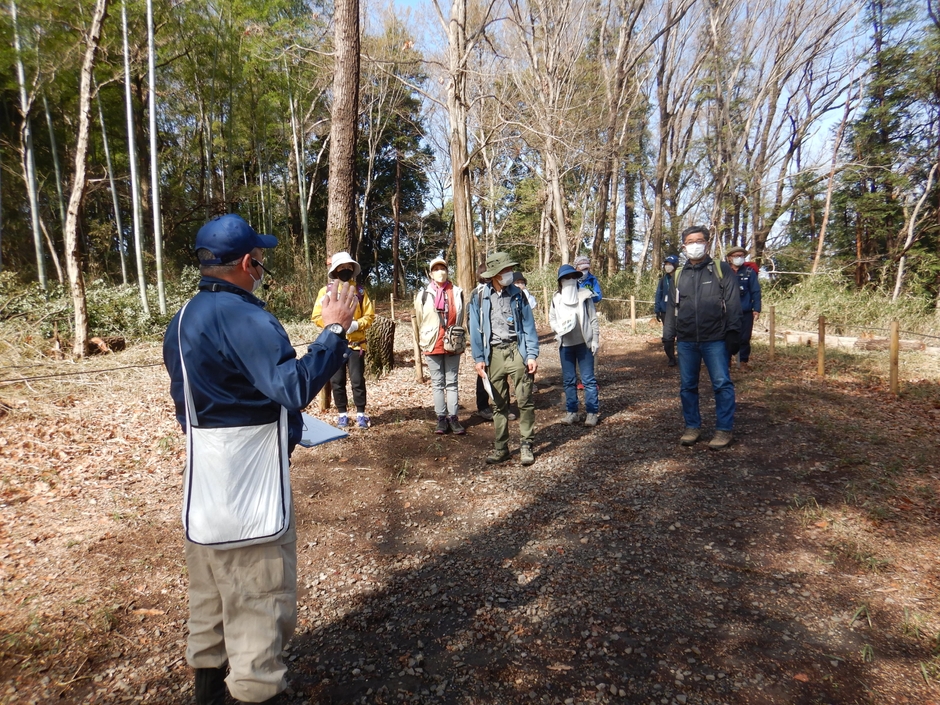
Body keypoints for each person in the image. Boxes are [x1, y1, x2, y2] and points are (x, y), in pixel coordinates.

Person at [163, 214, 358, 705]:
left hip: (204, 486)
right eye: (261, 259)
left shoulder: (183, 317)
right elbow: (290, 387)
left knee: (208, 601)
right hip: (250, 493)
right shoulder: (246, 317)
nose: (262, 267)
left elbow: (186, 403)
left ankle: (206, 694)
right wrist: (333, 332)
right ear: (248, 263)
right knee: (259, 606)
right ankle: (256, 691)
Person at [662, 225, 742, 450]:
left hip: (715, 339)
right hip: (687, 340)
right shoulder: (679, 275)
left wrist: (734, 333)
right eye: (690, 241)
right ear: (684, 246)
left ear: (707, 243)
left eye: (699, 240)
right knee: (687, 386)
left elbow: (733, 303)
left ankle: (724, 429)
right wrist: (668, 336)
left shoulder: (720, 269)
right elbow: (671, 308)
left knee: (722, 384)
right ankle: (692, 426)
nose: (694, 245)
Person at [468, 251, 540, 465]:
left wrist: (532, 354)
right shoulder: (479, 296)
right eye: (505, 270)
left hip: (516, 351)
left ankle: (527, 444)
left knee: (525, 400)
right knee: (499, 404)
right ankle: (502, 448)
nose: (509, 273)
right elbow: (475, 329)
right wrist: (478, 357)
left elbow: (529, 326)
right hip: (494, 354)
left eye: (510, 269)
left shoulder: (519, 295)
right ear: (494, 274)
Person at [311, 253, 375, 429]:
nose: (345, 270)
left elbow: (369, 316)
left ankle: (361, 414)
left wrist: (356, 324)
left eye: (348, 267)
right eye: (341, 267)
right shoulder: (326, 292)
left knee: (357, 380)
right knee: (337, 381)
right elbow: (317, 316)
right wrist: (334, 325)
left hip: (356, 345)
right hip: (334, 344)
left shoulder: (360, 292)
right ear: (335, 270)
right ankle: (342, 415)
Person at [414, 256, 466, 435]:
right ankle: (441, 419)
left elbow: (461, 315)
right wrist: (423, 340)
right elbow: (420, 320)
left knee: (452, 382)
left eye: (442, 268)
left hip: (453, 341)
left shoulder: (457, 291)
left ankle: (453, 418)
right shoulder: (423, 295)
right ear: (430, 273)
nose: (440, 272)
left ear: (447, 270)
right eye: (436, 269)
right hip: (432, 342)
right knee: (437, 382)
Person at [549, 264, 600, 426]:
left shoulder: (585, 296)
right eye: (566, 278)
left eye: (573, 277)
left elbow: (593, 319)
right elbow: (552, 319)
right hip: (566, 345)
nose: (570, 280)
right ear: (560, 281)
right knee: (569, 380)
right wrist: (558, 329)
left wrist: (595, 340)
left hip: (584, 344)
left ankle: (592, 412)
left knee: (588, 380)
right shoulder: (556, 299)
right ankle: (572, 411)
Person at [725, 246, 762, 371]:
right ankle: (726, 360)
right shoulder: (725, 272)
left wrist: (756, 309)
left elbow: (755, 291)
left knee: (745, 337)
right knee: (727, 336)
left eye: (741, 255)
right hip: (728, 311)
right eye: (736, 256)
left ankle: (743, 361)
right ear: (730, 258)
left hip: (745, 310)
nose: (739, 258)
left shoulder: (749, 272)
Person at [470, 264, 495, 421]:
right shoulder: (476, 293)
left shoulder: (498, 290)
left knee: (501, 375)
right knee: (483, 373)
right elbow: (472, 321)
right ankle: (483, 406)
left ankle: (502, 406)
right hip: (483, 340)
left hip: (498, 339)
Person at [655, 255, 680, 367]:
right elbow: (658, 294)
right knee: (667, 337)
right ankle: (671, 358)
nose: (667, 266)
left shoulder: (681, 277)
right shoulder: (663, 280)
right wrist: (657, 309)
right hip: (666, 311)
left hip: (680, 311)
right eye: (666, 264)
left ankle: (684, 357)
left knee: (682, 335)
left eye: (670, 264)